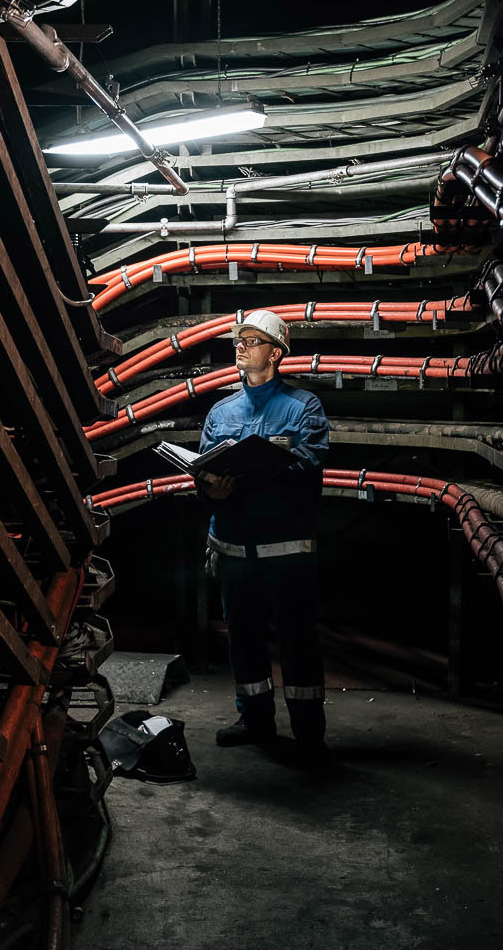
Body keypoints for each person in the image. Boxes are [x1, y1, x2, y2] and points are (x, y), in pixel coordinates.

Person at [198, 309, 329, 756]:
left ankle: (308, 732)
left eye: (251, 341)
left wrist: (257, 472)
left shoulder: (303, 407)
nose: (240, 346)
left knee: (298, 642)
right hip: (234, 549)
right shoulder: (221, 411)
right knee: (245, 641)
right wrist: (212, 489)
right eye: (238, 340)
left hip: (287, 550)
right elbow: (203, 472)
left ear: (276, 353)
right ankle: (255, 721)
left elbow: (310, 461)